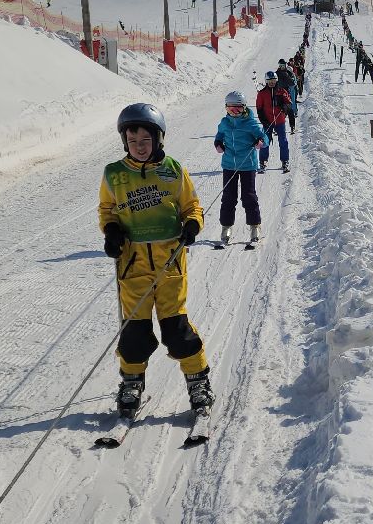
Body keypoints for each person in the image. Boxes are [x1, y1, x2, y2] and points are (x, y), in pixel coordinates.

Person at [99, 103, 210, 417]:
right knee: (134, 330)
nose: (139, 146)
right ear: (124, 142)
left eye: (146, 140)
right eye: (132, 141)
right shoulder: (115, 174)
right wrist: (111, 231)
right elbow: (107, 210)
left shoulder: (173, 170)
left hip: (170, 261)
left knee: (176, 328)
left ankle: (198, 380)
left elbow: (192, 206)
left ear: (159, 139)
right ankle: (132, 381)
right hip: (132, 264)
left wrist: (192, 224)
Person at [213, 91, 269, 245]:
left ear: (244, 108)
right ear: (226, 108)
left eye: (238, 108)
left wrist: (261, 142)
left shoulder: (250, 123)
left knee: (248, 196)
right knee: (228, 197)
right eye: (231, 109)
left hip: (247, 165)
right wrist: (218, 144)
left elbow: (265, 138)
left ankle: (255, 226)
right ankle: (226, 227)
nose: (235, 112)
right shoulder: (224, 123)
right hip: (229, 165)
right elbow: (219, 136)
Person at [256, 71, 293, 172]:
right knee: (265, 141)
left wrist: (285, 107)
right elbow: (259, 108)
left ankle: (285, 161)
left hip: (279, 120)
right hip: (267, 121)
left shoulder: (282, 91)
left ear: (276, 80)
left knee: (283, 141)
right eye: (269, 81)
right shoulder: (262, 93)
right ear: (266, 81)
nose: (272, 83)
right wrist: (263, 120)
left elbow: (289, 103)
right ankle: (263, 161)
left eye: (273, 80)